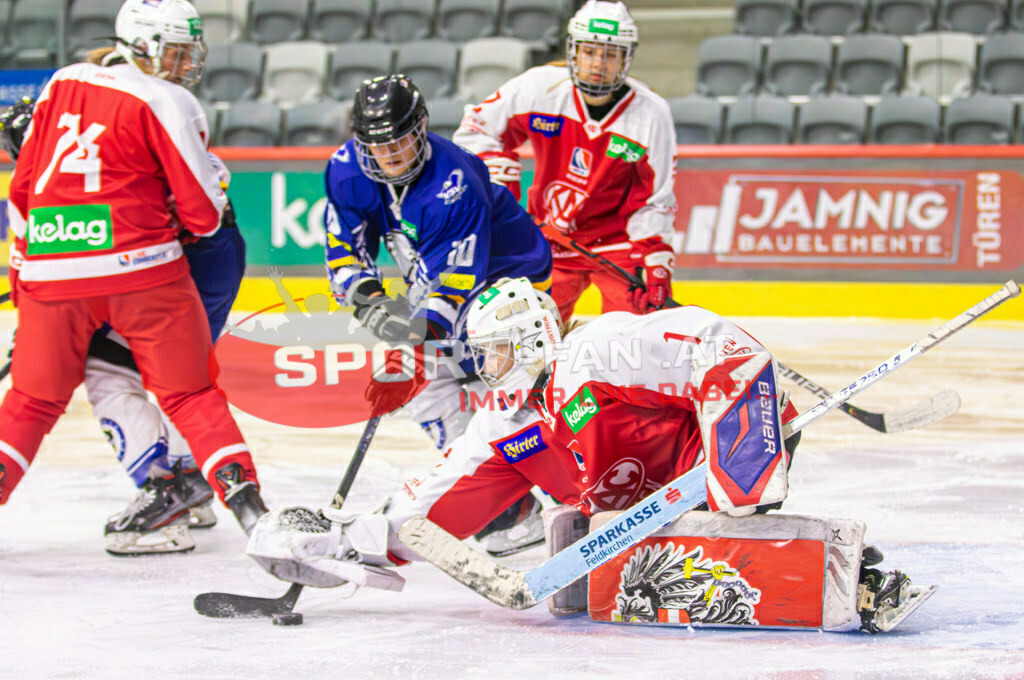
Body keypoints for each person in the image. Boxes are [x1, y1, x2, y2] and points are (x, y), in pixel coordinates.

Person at [246, 278, 931, 633]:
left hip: (723, 456)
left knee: (720, 531)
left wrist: (741, 444)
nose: (487, 368)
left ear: (532, 338)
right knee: (639, 565)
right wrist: (353, 543)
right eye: (482, 356)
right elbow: (440, 497)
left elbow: (715, 343)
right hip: (652, 509)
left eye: (496, 351)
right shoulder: (510, 421)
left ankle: (855, 581)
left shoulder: (596, 351)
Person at [0, 0, 267, 544]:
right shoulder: (165, 102)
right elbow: (204, 211)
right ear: (142, 46)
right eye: (176, 52)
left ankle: (169, 485)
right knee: (186, 389)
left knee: (56, 389)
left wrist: (29, 293)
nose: (185, 64)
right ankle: (216, 494)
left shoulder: (62, 85)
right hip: (157, 266)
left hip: (96, 269)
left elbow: (22, 201)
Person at [321, 74, 554, 554]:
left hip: (511, 277)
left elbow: (455, 283)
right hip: (437, 279)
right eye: (377, 145)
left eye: (400, 142)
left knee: (505, 378)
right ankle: (508, 503)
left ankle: (567, 481)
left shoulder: (454, 179)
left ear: (422, 129)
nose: (389, 156)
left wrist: (413, 348)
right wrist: (377, 309)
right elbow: (344, 254)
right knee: (426, 390)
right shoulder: (345, 170)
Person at [453, 0, 679, 323]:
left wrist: (654, 259)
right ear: (573, 51)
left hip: (618, 246)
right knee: (525, 331)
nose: (598, 63)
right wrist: (500, 184)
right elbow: (477, 128)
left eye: (610, 54)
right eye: (590, 51)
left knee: (635, 334)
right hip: (549, 237)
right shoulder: (539, 87)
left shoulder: (652, 113)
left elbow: (657, 199)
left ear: (626, 58)